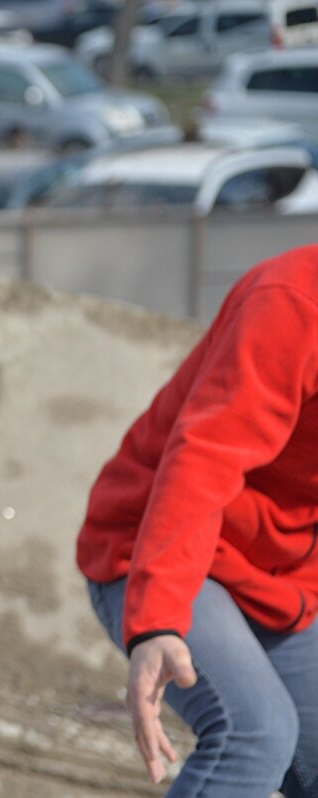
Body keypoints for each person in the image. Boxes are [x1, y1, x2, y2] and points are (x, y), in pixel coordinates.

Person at [77, 244, 318, 797]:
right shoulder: (292, 299)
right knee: (254, 733)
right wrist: (157, 623)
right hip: (158, 548)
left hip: (280, 575)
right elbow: (205, 461)